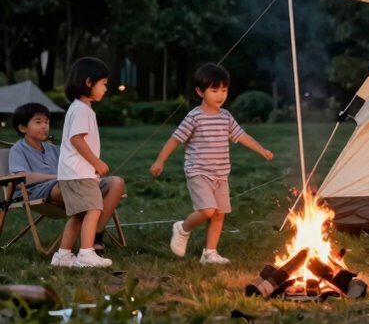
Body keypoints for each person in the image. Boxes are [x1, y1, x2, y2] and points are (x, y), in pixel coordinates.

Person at [150, 63, 274, 264]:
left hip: (221, 174)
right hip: (199, 172)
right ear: (200, 91)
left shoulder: (226, 117)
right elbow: (175, 139)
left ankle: (209, 253)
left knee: (219, 214)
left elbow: (241, 135)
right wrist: (160, 160)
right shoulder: (194, 117)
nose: (220, 95)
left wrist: (261, 150)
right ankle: (182, 229)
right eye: (214, 90)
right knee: (207, 210)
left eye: (224, 90)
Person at [7, 102, 125, 260]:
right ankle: (80, 249)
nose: (44, 126)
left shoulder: (54, 149)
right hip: (39, 191)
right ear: (23, 128)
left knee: (116, 183)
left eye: (46, 122)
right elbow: (22, 176)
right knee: (73, 187)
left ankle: (96, 233)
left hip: (70, 184)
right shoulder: (18, 150)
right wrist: (54, 177)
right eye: (38, 122)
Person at [53, 57, 115, 268]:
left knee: (80, 215)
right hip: (79, 173)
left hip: (72, 173)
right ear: (89, 82)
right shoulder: (81, 110)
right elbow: (76, 139)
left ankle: (63, 255)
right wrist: (96, 162)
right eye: (103, 83)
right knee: (94, 209)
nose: (106, 88)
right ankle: (86, 253)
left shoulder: (79, 108)